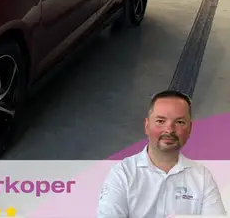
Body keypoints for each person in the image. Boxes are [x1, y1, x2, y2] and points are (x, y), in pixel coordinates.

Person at [97, 90, 226, 217]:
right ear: (147, 125)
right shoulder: (123, 173)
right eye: (160, 121)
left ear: (190, 129)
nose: (169, 130)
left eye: (179, 122)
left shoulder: (202, 177)